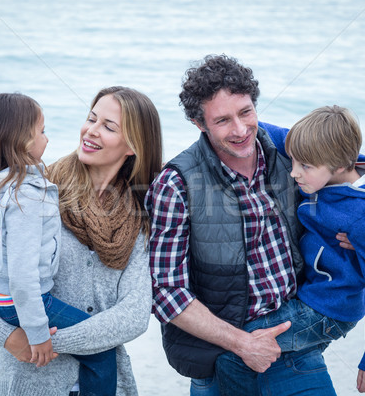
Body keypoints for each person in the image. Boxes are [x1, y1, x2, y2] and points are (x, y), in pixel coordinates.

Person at [145, 54, 353, 396]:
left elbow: (351, 170)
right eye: (223, 120)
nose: (241, 130)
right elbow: (166, 292)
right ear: (200, 124)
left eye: (246, 112)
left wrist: (352, 232)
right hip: (221, 356)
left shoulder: (289, 156)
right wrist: (243, 343)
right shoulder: (176, 184)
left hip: (293, 346)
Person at [0, 86, 163, 396]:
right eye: (91, 118)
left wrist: (43, 341)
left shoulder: (140, 218)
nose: (91, 131)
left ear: (132, 146)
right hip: (28, 382)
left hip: (106, 385)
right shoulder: (34, 191)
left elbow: (133, 316)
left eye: (108, 126)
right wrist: (8, 337)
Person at [215, 105, 365, 394]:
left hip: (327, 309)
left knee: (235, 345)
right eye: (295, 162)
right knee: (274, 356)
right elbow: (272, 133)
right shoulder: (322, 154)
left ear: (339, 166)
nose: (293, 173)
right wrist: (227, 122)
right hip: (310, 294)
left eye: (304, 167)